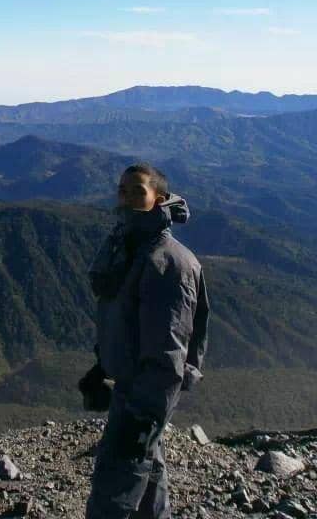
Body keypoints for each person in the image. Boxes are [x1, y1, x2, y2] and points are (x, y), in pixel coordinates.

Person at [79, 162, 210, 519]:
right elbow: (126, 322)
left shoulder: (168, 263)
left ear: (159, 200)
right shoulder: (130, 248)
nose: (127, 198)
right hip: (130, 385)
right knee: (149, 476)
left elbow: (168, 352)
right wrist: (104, 364)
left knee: (112, 492)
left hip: (144, 395)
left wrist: (145, 415)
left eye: (137, 190)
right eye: (122, 190)